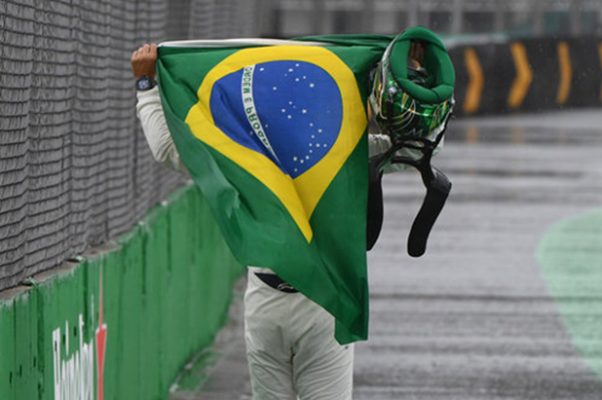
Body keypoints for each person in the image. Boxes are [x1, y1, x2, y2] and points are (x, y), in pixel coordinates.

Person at [131, 33, 450, 399]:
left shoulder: (239, 152)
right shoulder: (348, 148)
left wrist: (146, 86)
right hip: (324, 298)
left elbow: (166, 148)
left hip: (264, 299)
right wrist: (416, 76)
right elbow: (424, 147)